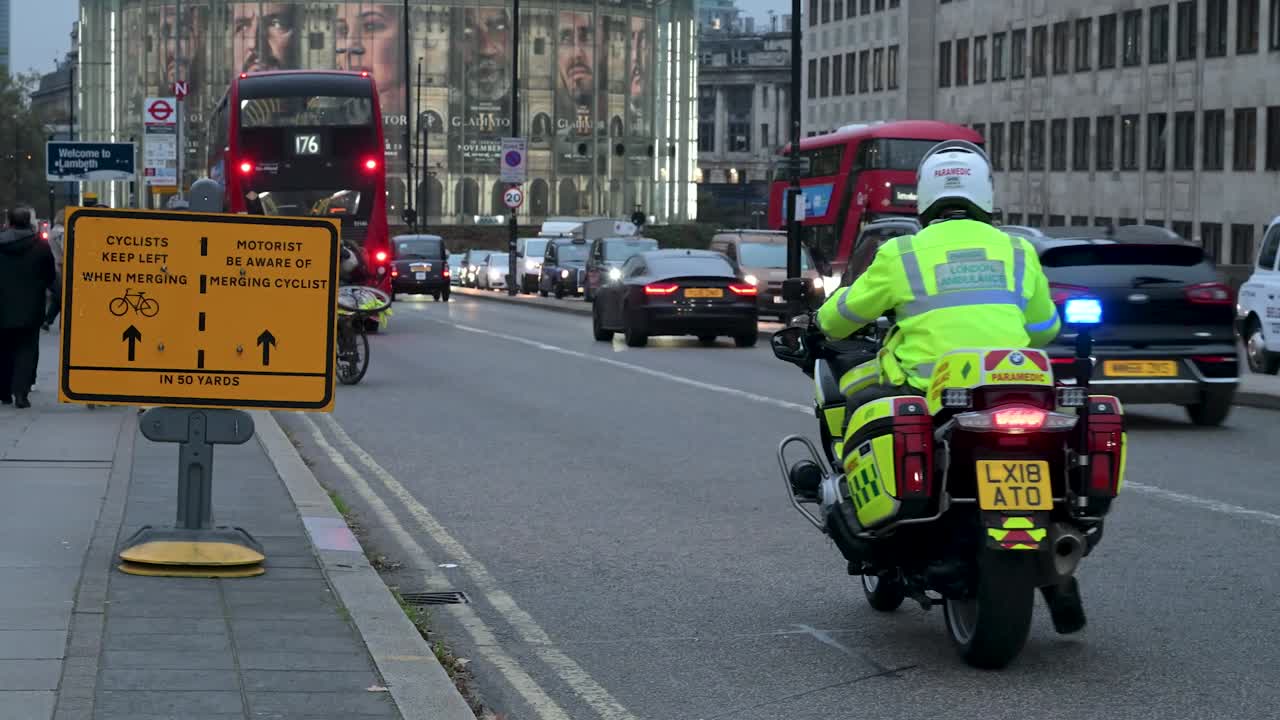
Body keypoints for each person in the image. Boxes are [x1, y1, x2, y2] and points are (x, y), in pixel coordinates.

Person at [814, 139, 1061, 413]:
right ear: (986, 192)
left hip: (928, 392)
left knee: (858, 406)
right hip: (1009, 391)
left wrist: (820, 320)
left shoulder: (902, 253)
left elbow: (838, 321)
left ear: (924, 193)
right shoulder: (1019, 250)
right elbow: (1045, 327)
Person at [0, 208, 56, 408]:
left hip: (2, 306)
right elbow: (50, 276)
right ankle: (21, 393)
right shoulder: (40, 246)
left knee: (4, 349)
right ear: (29, 223)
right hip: (30, 307)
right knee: (26, 349)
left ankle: (4, 391)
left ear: (9, 222)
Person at [43, 209, 66, 331]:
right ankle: (51, 320)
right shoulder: (62, 232)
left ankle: (48, 320)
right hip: (61, 265)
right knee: (63, 295)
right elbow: (65, 249)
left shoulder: (53, 231)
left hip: (55, 264)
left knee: (58, 295)